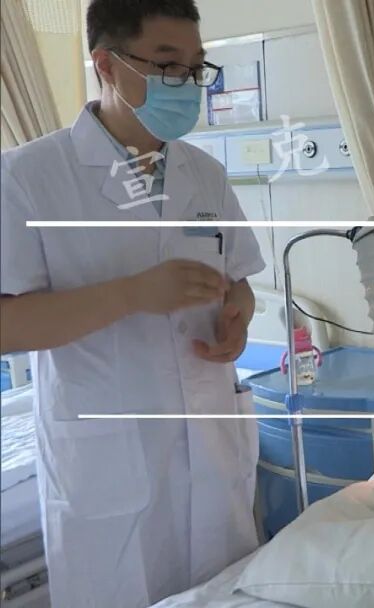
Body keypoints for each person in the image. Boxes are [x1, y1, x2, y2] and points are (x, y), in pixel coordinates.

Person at [0, 1, 266, 605]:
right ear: (107, 65)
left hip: (210, 443)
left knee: (222, 591)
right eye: (168, 66)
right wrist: (131, 295)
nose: (186, 84)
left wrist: (238, 320)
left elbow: (240, 283)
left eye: (196, 68)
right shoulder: (27, 176)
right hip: (107, 463)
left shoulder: (204, 174)